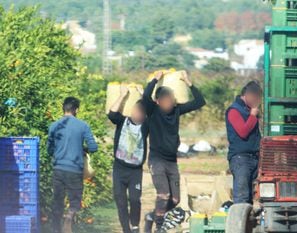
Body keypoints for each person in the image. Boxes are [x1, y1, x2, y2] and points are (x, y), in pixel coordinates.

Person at [143, 71, 206, 233]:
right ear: (157, 102)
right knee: (163, 195)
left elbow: (200, 101)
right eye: (165, 100)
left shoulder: (177, 110)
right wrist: (155, 79)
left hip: (172, 161)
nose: (168, 103)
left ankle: (152, 216)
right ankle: (159, 226)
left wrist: (187, 81)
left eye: (170, 100)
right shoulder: (152, 111)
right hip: (156, 160)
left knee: (175, 199)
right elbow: (145, 97)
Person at [47, 97, 98, 233]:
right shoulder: (83, 126)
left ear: (63, 108)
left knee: (57, 201)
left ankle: (55, 229)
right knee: (75, 202)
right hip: (75, 170)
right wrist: (82, 149)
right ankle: (69, 217)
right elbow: (93, 147)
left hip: (58, 168)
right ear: (76, 109)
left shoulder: (54, 126)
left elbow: (49, 150)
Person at [108, 85, 149, 233]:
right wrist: (122, 95)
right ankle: (126, 229)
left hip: (135, 171)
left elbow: (155, 114)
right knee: (120, 201)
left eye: (140, 112)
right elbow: (111, 113)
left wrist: (144, 94)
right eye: (135, 110)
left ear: (144, 115)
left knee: (134, 199)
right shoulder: (122, 121)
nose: (136, 114)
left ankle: (135, 226)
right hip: (119, 168)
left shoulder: (145, 126)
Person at [225, 81, 262, 204]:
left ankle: (248, 222)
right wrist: (252, 116)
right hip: (241, 159)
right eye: (256, 98)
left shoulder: (249, 110)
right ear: (247, 95)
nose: (257, 101)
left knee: (250, 197)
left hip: (254, 158)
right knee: (241, 197)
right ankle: (239, 221)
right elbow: (243, 131)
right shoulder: (234, 111)